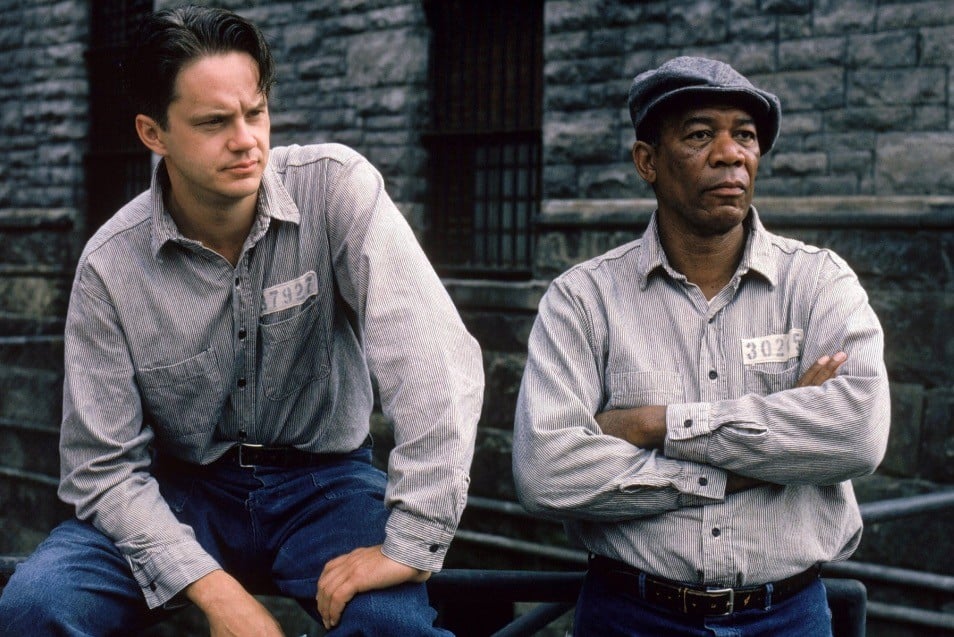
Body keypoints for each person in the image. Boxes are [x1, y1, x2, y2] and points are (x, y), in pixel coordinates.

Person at [0, 5, 483, 636]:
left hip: (326, 484)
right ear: (153, 132)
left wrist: (411, 540)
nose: (246, 139)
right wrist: (217, 593)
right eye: (213, 122)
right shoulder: (110, 264)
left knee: (392, 627)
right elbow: (102, 467)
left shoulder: (336, 189)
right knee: (35, 605)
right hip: (177, 493)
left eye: (255, 113)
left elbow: (433, 360)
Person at [512, 56, 890, 636]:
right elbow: (547, 470)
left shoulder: (818, 283)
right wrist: (761, 460)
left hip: (787, 618)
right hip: (629, 616)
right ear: (648, 162)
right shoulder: (583, 300)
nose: (730, 153)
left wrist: (652, 424)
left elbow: (857, 435)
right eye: (699, 135)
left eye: (744, 135)